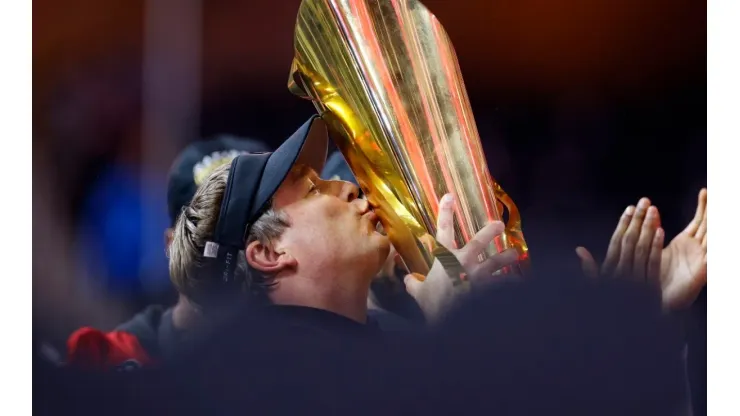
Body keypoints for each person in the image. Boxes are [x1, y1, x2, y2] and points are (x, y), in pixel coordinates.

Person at [167, 115, 522, 335]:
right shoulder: (265, 386)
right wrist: (451, 324)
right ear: (269, 252)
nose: (349, 188)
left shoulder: (398, 337)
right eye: (312, 189)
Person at [66, 135, 271, 371]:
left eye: (256, 224)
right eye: (213, 231)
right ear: (172, 244)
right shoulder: (106, 360)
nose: (238, 248)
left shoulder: (299, 360)